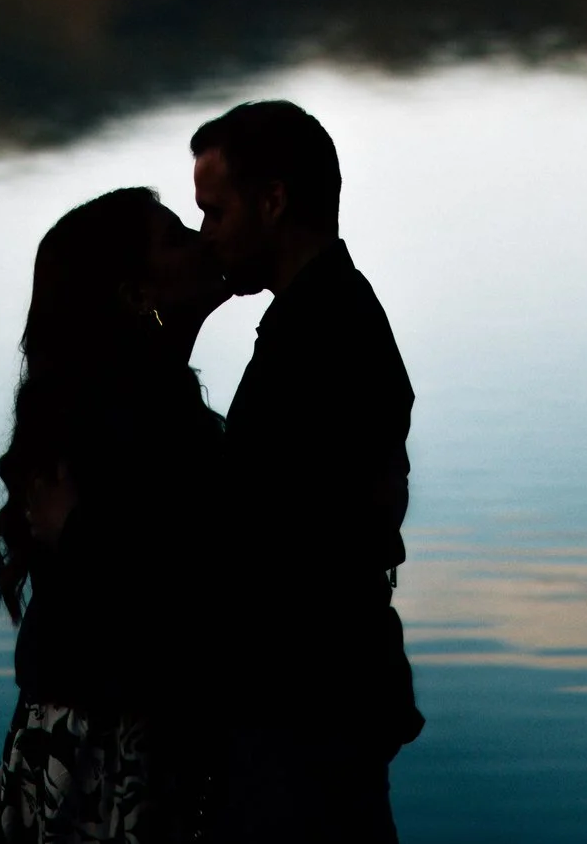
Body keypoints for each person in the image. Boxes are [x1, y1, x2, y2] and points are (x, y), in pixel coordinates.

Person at [176, 100, 422, 844]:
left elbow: (258, 537)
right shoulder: (329, 315)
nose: (204, 236)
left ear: (273, 200)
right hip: (324, 710)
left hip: (304, 721)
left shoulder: (318, 340)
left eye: (215, 211)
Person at [0, 187, 226, 844]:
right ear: (134, 294)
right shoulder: (131, 423)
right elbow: (162, 594)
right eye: (177, 237)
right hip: (107, 749)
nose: (206, 238)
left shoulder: (143, 407)